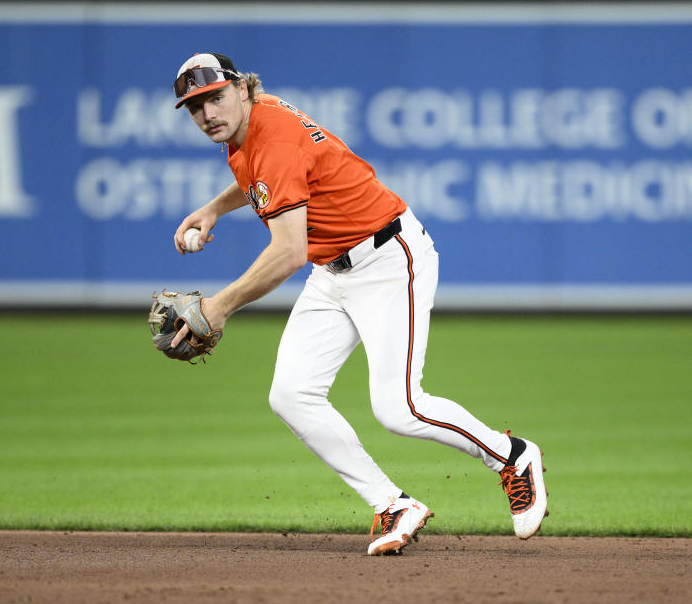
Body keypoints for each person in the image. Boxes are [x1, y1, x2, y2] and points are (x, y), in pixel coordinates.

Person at [169, 52, 548, 555]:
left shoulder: (272, 133)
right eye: (195, 107)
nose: (207, 113)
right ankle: (393, 504)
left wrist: (218, 307)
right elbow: (262, 179)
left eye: (215, 97)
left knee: (400, 408)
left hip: (389, 259)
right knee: (292, 394)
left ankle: (511, 456)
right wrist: (215, 207)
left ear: (242, 89)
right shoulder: (247, 127)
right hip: (333, 271)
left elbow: (286, 254)